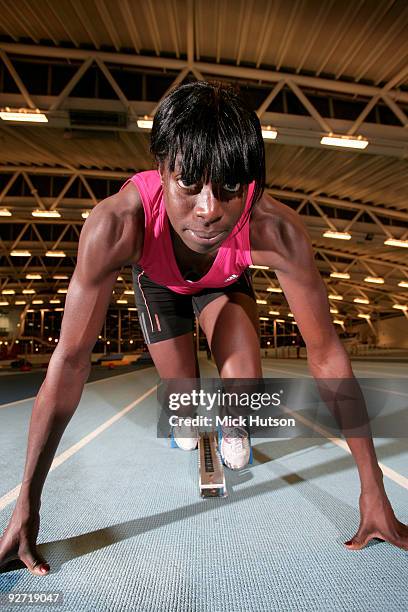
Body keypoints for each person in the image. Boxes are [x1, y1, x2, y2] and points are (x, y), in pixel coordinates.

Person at [0, 81, 407, 577]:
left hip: (224, 286)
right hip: (159, 286)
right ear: (161, 167)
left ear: (251, 183)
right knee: (184, 404)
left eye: (230, 187)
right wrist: (26, 505)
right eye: (188, 183)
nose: (209, 210)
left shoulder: (275, 230)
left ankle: (232, 421)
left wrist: (373, 490)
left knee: (243, 390)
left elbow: (327, 356)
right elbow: (69, 362)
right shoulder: (116, 225)